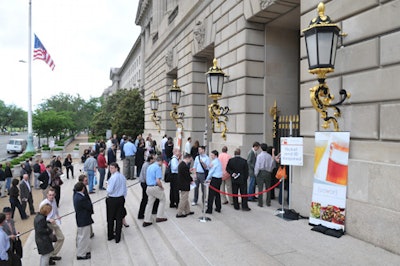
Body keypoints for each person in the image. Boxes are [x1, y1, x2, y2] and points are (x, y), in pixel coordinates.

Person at [39, 188, 64, 264]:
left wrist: (58, 216)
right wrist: (48, 220)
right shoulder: (43, 203)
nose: (51, 196)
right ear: (47, 195)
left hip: (53, 222)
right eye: (50, 195)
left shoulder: (54, 200)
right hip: (47, 224)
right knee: (49, 242)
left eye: (53, 195)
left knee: (61, 238)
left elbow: (55, 209)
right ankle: (49, 257)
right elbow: (40, 217)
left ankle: (52, 254)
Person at [143, 157, 168, 227]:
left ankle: (147, 220)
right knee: (163, 200)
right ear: (160, 161)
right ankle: (160, 216)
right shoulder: (157, 168)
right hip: (155, 186)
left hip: (148, 187)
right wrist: (161, 187)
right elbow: (158, 180)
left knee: (149, 204)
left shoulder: (150, 166)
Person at [106, 163, 127, 243]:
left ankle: (110, 235)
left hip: (112, 199)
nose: (110, 170)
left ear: (116, 168)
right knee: (119, 218)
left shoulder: (114, 177)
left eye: (112, 168)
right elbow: (125, 189)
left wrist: (107, 186)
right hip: (121, 198)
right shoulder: (122, 176)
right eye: (110, 168)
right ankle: (118, 237)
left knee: (110, 218)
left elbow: (109, 190)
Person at [73, 182, 93, 260]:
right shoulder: (81, 198)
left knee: (83, 236)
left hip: (81, 218)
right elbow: (89, 206)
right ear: (83, 189)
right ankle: (81, 254)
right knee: (83, 237)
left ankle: (84, 251)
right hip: (83, 219)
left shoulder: (76, 195)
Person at [137, 155, 159, 219]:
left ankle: (153, 210)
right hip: (145, 184)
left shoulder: (147, 164)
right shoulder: (147, 165)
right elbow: (146, 176)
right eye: (154, 159)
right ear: (151, 159)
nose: (155, 161)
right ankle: (141, 214)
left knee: (152, 197)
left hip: (146, 183)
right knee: (145, 199)